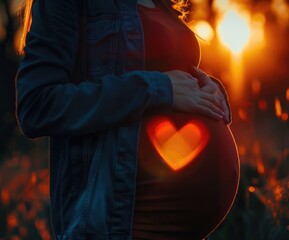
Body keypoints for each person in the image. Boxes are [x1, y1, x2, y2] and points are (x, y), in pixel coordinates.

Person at [16, 0, 240, 239]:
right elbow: (37, 104)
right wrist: (157, 88)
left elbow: (166, 70)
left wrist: (208, 86)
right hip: (122, 220)